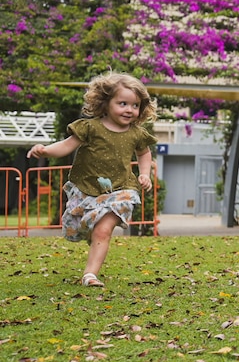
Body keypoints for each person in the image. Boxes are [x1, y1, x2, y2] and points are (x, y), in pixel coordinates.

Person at [27, 72, 158, 287]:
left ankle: (90, 274)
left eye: (135, 106)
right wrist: (45, 151)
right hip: (87, 188)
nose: (129, 110)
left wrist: (145, 174)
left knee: (103, 230)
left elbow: (144, 153)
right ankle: (93, 236)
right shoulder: (90, 127)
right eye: (123, 103)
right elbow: (66, 145)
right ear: (105, 103)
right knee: (85, 227)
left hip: (121, 189)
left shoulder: (137, 133)